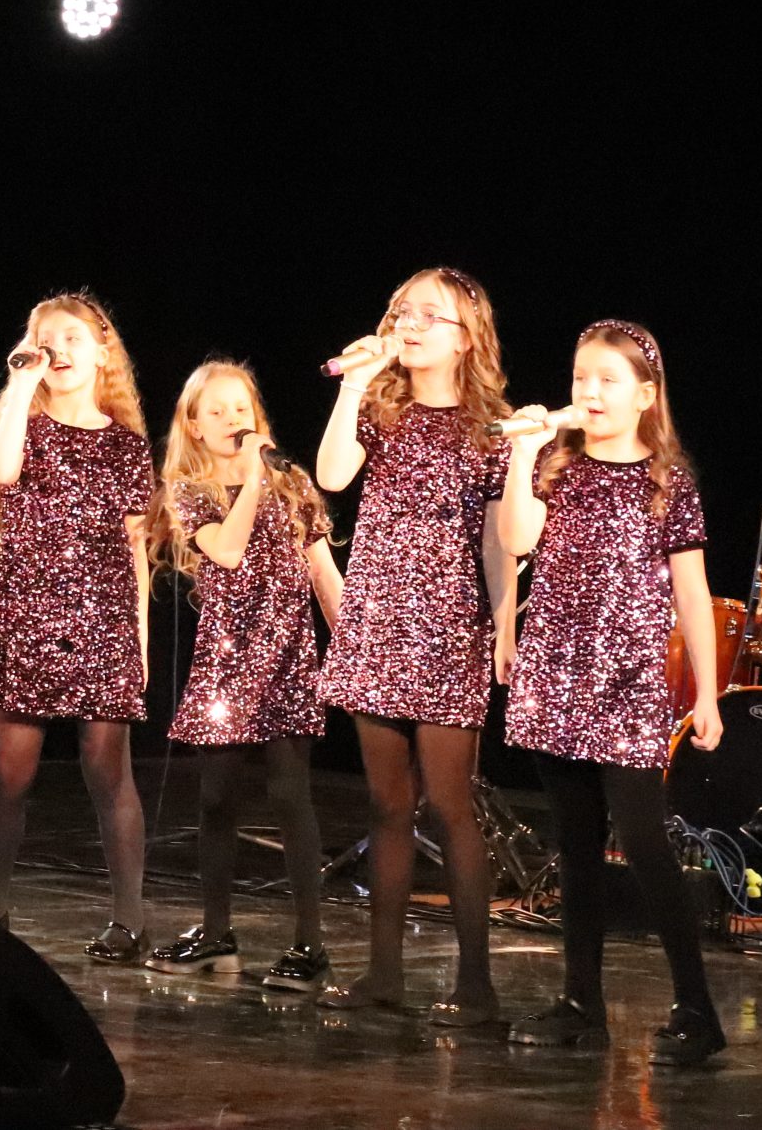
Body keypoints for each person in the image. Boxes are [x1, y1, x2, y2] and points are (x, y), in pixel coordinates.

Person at [500, 320, 726, 1066]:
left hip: (626, 686)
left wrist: (707, 692)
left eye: (607, 380)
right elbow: (517, 540)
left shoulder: (669, 483)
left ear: (645, 396)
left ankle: (697, 1008)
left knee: (643, 842)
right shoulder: (554, 466)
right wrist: (524, 451)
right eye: (580, 378)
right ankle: (580, 1005)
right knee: (575, 846)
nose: (589, 392)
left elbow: (692, 593)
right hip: (554, 676)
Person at [314, 267, 515, 1023]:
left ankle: (476, 986)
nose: (411, 324)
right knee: (385, 803)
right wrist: (352, 385)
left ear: (468, 339)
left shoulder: (491, 428)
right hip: (376, 620)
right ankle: (385, 976)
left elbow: (499, 544)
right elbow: (332, 474)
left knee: (450, 803)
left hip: (449, 627)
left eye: (432, 315)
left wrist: (504, 626)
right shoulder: (379, 408)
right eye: (403, 311)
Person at [0, 292, 157, 962]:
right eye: (46, 338)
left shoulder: (126, 445)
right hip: (26, 616)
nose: (59, 349)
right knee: (8, 772)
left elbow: (137, 547)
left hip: (103, 621)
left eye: (72, 337)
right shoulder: (23, 425)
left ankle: (130, 920)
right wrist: (21, 384)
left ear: (102, 353)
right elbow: (1, 470)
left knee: (108, 771)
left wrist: (140, 637)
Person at [146, 361, 343, 992]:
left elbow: (322, 571)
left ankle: (310, 944)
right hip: (227, 660)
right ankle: (216, 933)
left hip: (286, 655)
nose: (234, 419)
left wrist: (354, 645)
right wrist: (255, 479)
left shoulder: (292, 483)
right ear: (195, 426)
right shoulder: (189, 490)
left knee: (290, 795)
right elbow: (228, 550)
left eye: (241, 407)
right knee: (216, 798)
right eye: (218, 411)